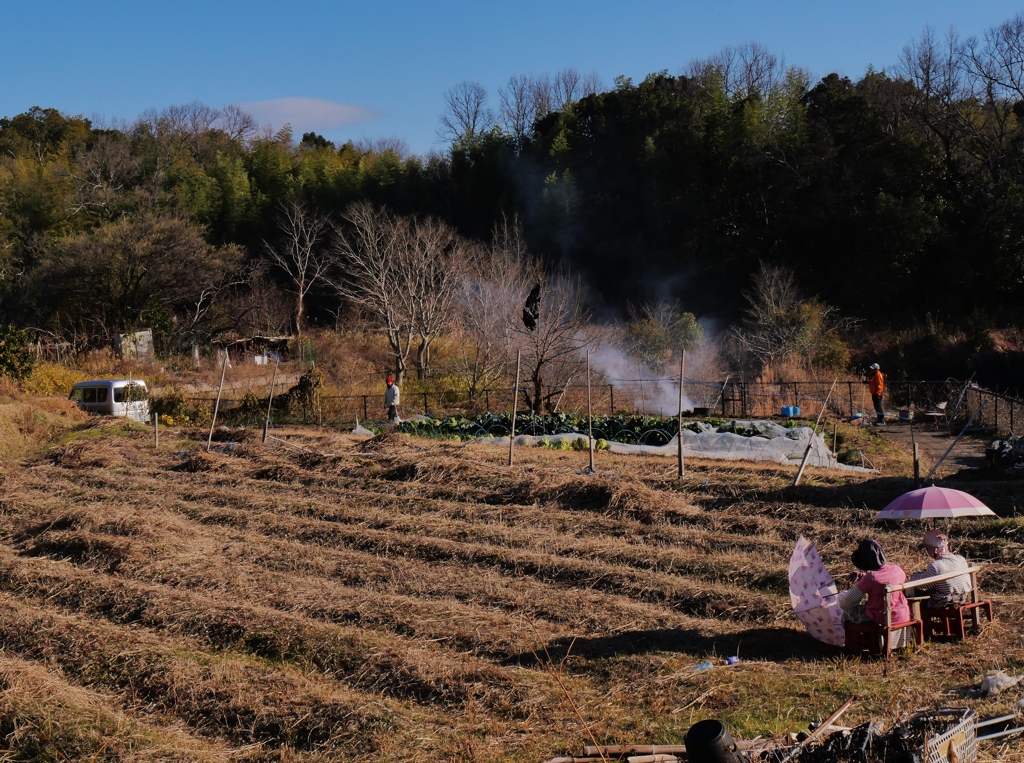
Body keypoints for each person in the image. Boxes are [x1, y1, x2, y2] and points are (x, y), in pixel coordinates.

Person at [839, 538, 913, 647]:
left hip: (881, 618)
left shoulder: (871, 578)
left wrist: (845, 590)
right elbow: (885, 580)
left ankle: (854, 645)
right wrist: (864, 578)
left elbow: (846, 603)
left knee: (847, 613)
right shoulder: (898, 570)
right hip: (901, 615)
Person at [909, 529, 972, 608]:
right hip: (962, 598)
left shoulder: (936, 566)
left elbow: (923, 584)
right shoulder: (961, 559)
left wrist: (913, 576)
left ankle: (923, 620)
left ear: (933, 549)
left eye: (927, 548)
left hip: (945, 602)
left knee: (917, 599)